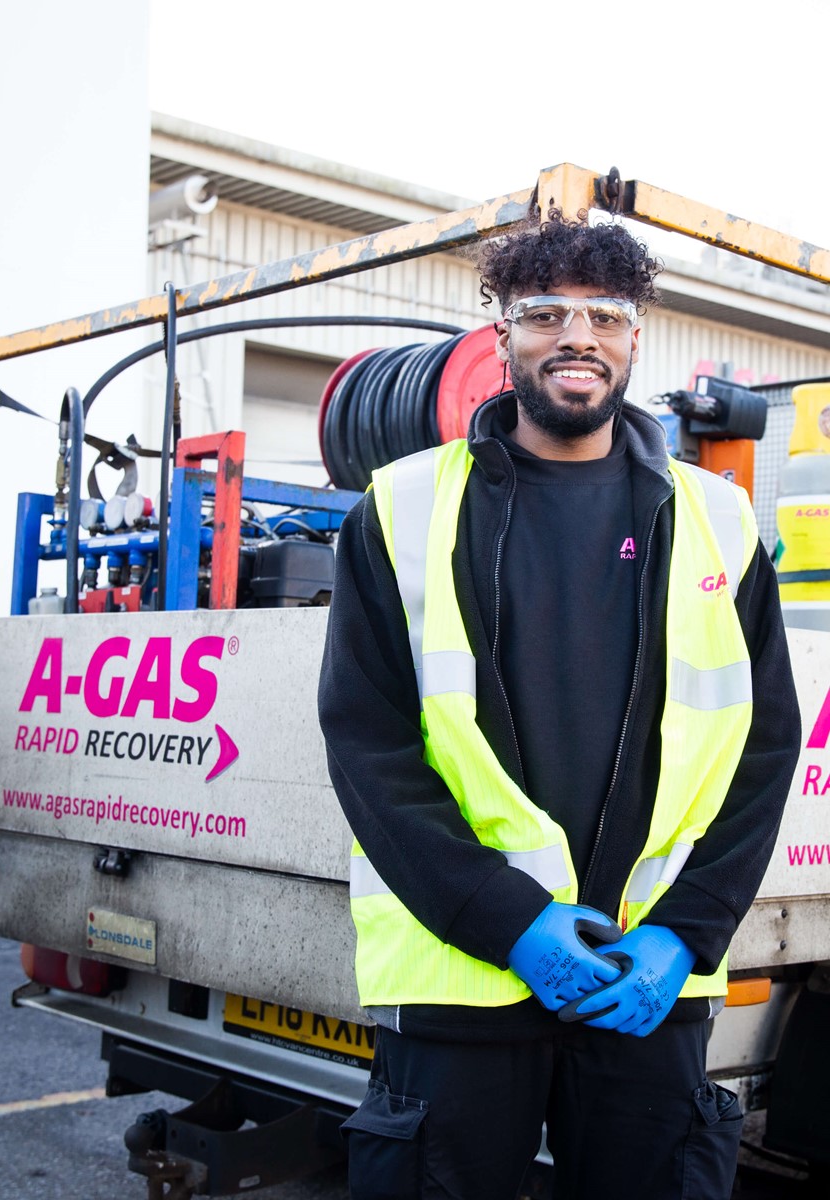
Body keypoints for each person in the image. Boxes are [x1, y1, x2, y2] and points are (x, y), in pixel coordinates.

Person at [317, 211, 801, 1200]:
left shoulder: (717, 520)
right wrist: (511, 924)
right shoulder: (402, 508)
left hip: (646, 986)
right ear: (500, 334)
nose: (577, 336)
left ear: (633, 339)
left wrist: (685, 934)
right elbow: (369, 747)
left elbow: (763, 745)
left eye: (606, 315)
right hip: (468, 982)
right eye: (545, 312)